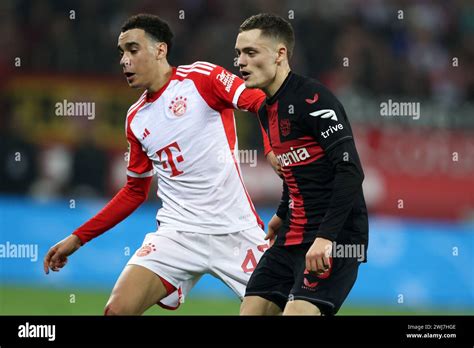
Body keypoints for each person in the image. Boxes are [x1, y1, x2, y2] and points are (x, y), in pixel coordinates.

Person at [43, 13, 274, 315]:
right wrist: (78, 238)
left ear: (160, 50)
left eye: (133, 49)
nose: (124, 60)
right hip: (177, 234)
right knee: (117, 310)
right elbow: (134, 192)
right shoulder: (136, 118)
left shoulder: (202, 78)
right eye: (121, 52)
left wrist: (271, 149)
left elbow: (259, 101)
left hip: (236, 231)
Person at [235, 13, 369, 316]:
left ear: (280, 54)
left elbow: (350, 170)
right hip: (292, 233)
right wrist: (282, 212)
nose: (241, 62)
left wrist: (325, 238)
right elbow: (294, 167)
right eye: (239, 53)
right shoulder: (266, 108)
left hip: (336, 235)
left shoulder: (314, 99)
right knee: (251, 311)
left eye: (251, 52)